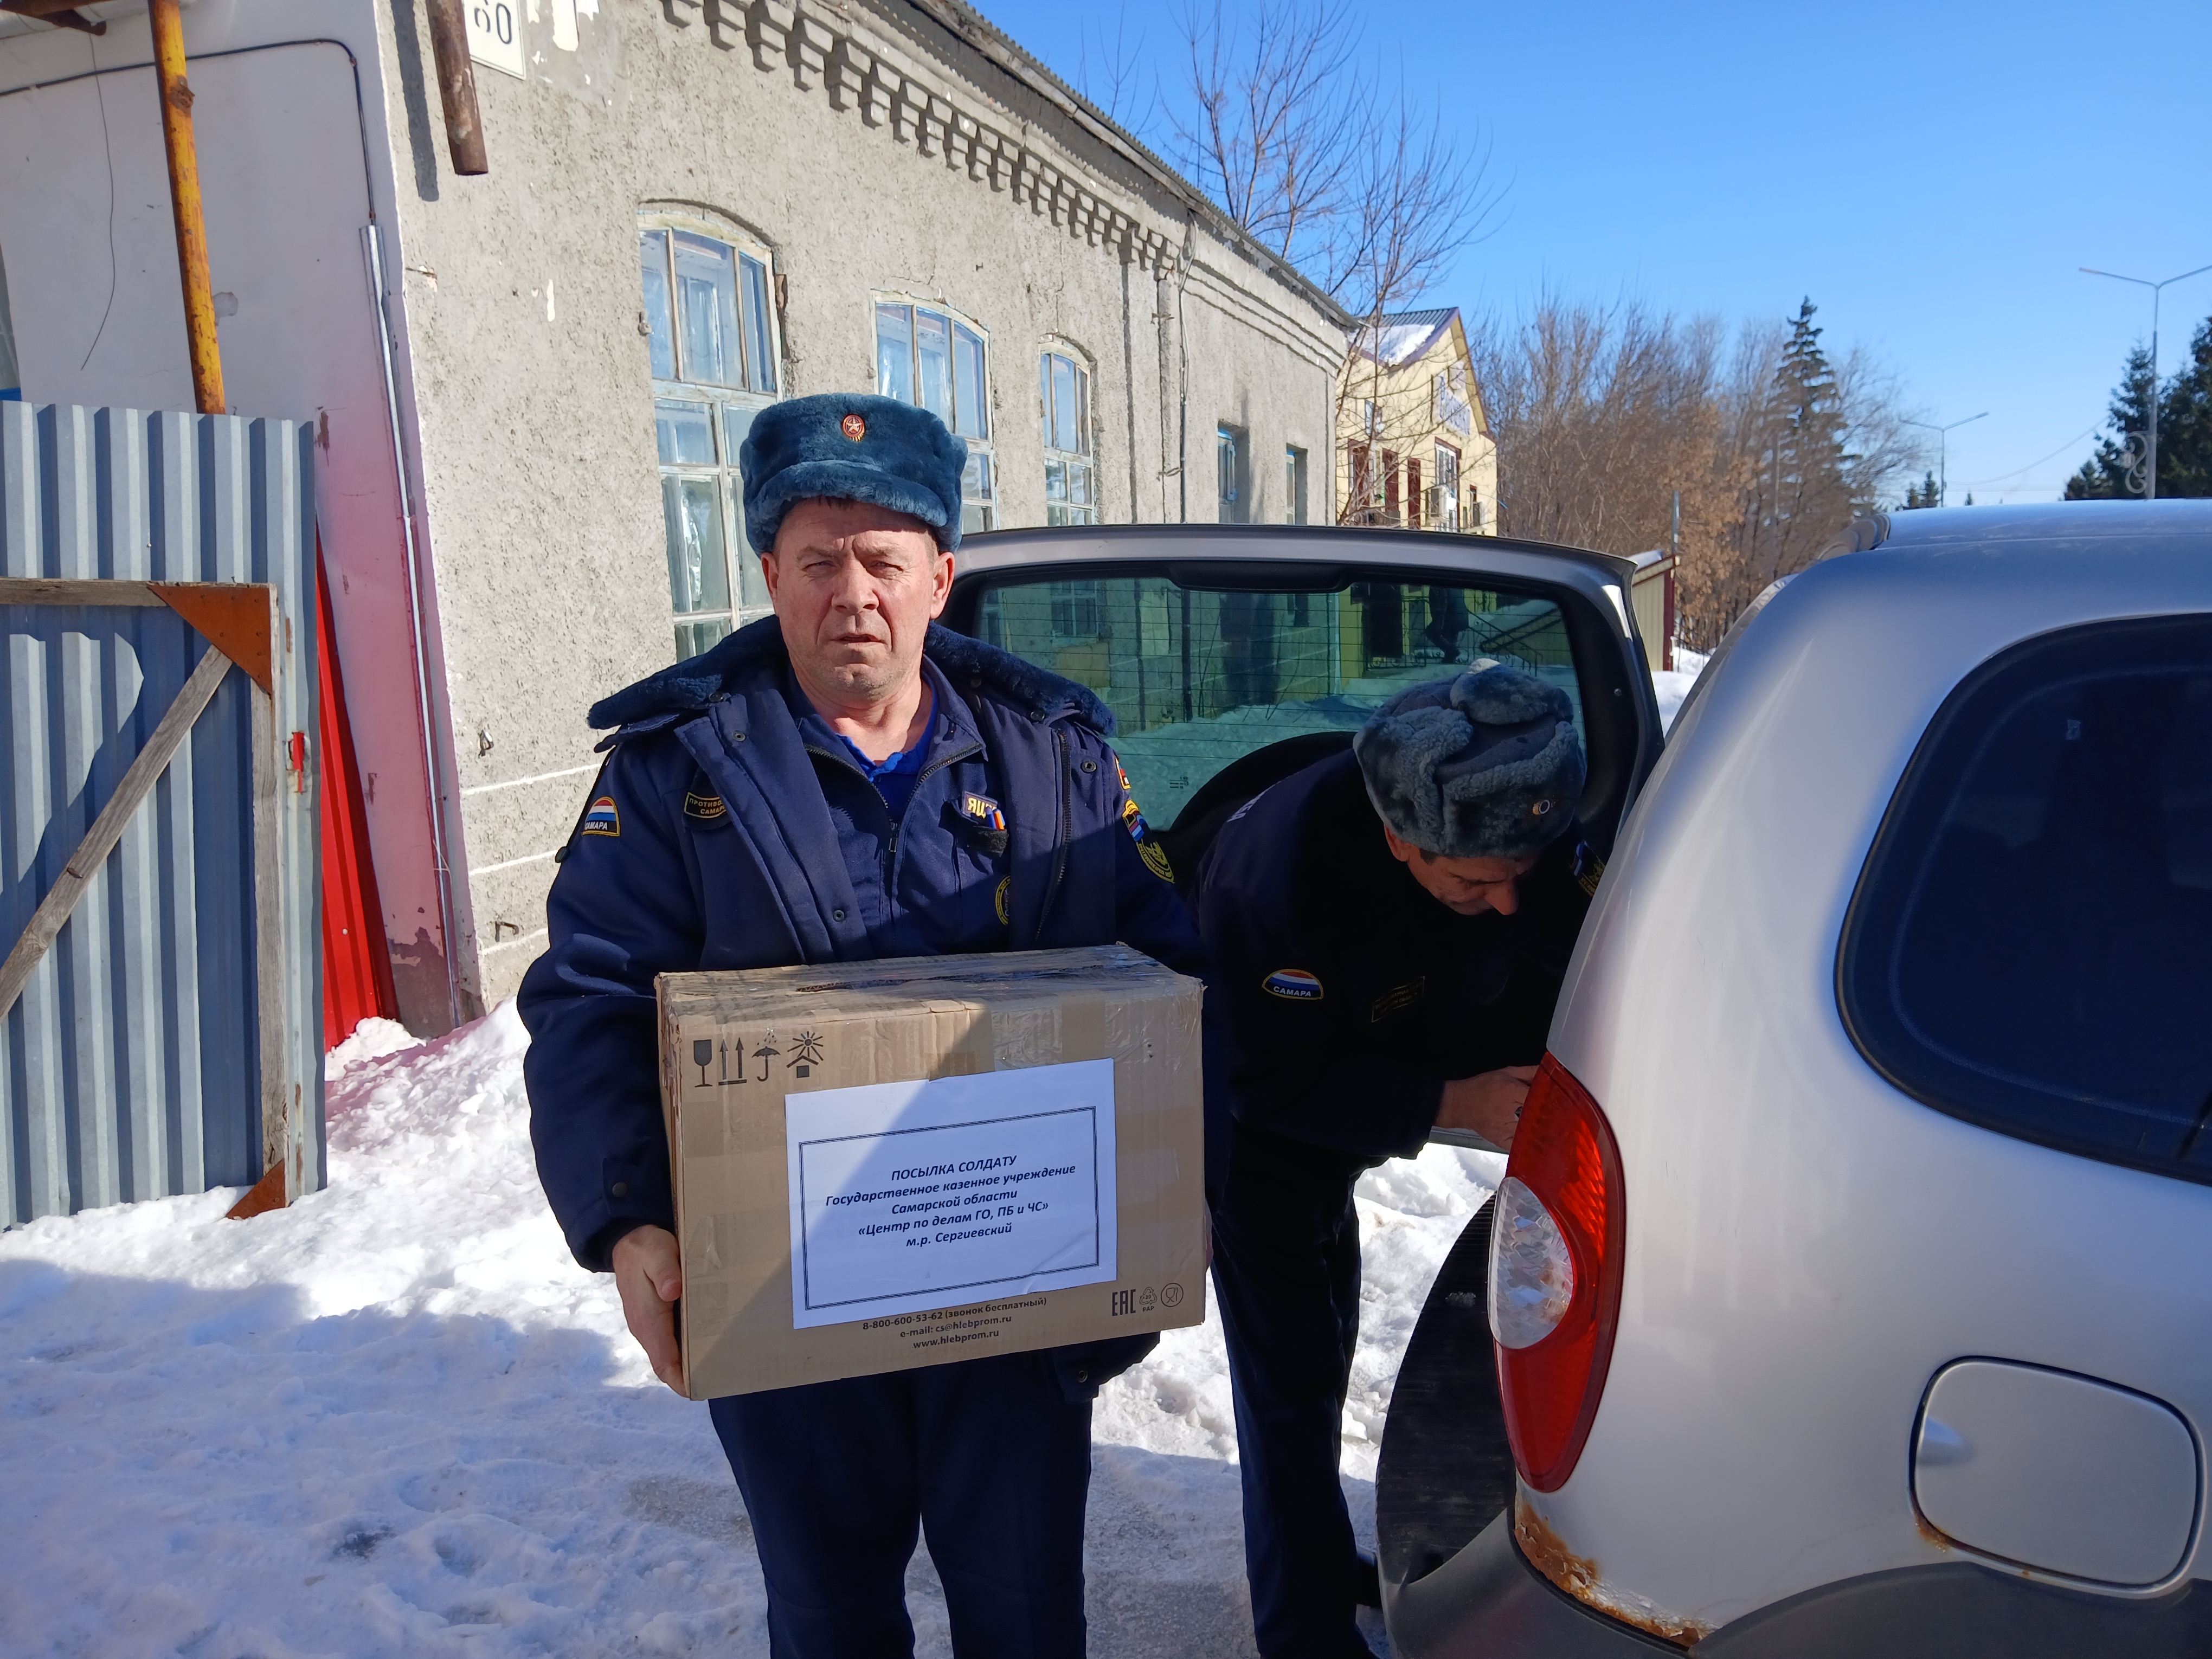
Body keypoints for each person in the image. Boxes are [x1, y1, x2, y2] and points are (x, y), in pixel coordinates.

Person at [518, 393, 1199, 1659]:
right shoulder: (676, 770)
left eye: (884, 561)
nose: (854, 596)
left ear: (940, 577)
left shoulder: (1054, 759)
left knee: (1027, 1609)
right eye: (819, 561)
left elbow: (1165, 975)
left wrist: (1181, 1174)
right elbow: (590, 998)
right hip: (788, 1293)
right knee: (831, 1617)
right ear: (769, 573)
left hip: (1017, 1279)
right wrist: (626, 1218)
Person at [1193, 665, 1600, 1659]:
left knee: (1330, 1333)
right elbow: (1264, 1085)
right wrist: (1451, 1104)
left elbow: (1551, 925)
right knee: (1290, 1385)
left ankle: (1323, 1559)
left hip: (1394, 1029)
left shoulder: (1514, 811)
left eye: (1521, 870)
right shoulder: (1280, 886)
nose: (1507, 901)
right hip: (1270, 1133)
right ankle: (1303, 1632)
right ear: (1399, 842)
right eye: (1476, 883)